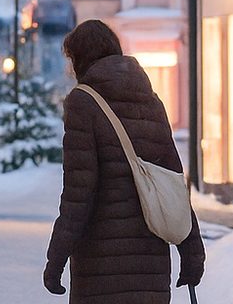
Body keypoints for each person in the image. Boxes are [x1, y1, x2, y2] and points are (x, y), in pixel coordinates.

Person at [44, 20, 203, 302]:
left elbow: (78, 195)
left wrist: (56, 259)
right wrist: (192, 251)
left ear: (81, 59)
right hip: (151, 262)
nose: (70, 69)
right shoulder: (150, 100)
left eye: (71, 60)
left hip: (101, 267)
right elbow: (172, 181)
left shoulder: (83, 102)